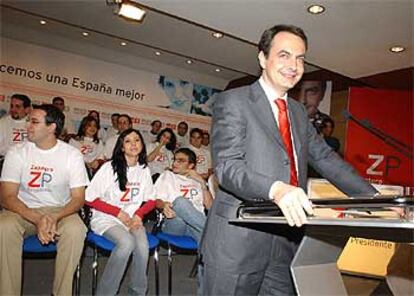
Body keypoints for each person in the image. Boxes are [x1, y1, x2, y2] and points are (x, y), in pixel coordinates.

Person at [201, 24, 378, 295]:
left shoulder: (297, 112)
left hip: (286, 240)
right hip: (238, 242)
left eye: (300, 58)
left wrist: (373, 199)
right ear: (262, 58)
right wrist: (277, 189)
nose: (293, 65)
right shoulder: (233, 101)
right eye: (284, 55)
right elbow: (228, 167)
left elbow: (326, 158)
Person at [0, 104, 89, 295]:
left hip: (60, 210)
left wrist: (55, 216)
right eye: (28, 121)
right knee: (3, 226)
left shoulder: (71, 155)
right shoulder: (17, 152)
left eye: (34, 122)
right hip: (22, 209)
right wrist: (37, 218)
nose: (28, 126)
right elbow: (7, 197)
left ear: (52, 127)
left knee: (76, 229)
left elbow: (78, 199)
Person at [85, 128, 161, 296]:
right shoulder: (108, 168)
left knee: (142, 246)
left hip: (131, 220)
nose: (133, 144)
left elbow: (152, 200)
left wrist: (139, 215)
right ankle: (105, 293)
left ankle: (137, 292)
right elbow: (89, 198)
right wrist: (118, 212)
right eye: (128, 141)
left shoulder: (144, 170)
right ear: (121, 147)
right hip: (106, 218)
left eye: (137, 140)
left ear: (142, 144)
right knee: (127, 243)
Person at [155, 148, 213, 243]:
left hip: (195, 226)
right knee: (181, 201)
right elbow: (155, 201)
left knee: (207, 241)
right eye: (174, 159)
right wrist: (164, 205)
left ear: (191, 165)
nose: (174, 163)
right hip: (175, 223)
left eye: (180, 161)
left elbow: (210, 206)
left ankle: (210, 238)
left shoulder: (197, 180)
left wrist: (203, 183)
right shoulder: (167, 176)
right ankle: (214, 230)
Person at [0, 94, 31, 160]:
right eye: (11, 106)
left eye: (17, 107)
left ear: (27, 109)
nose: (13, 109)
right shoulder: (3, 122)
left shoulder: (33, 124)